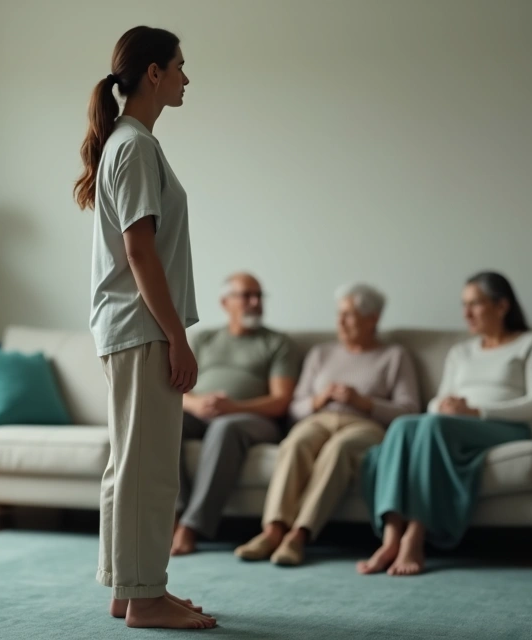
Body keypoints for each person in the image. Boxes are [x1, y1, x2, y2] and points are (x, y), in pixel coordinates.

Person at [74, 26, 215, 630]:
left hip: (131, 326)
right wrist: (177, 338)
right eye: (180, 66)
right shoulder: (133, 146)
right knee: (148, 466)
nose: (187, 77)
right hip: (142, 328)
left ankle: (127, 591)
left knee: (130, 463)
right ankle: (146, 597)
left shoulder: (130, 144)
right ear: (153, 73)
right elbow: (141, 253)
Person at [357, 271, 532, 576]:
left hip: (507, 427)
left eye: (475, 304)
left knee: (433, 426)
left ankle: (415, 538)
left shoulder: (531, 344)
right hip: (454, 425)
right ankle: (391, 537)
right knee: (403, 424)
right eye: (464, 305)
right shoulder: (460, 352)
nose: (466, 314)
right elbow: (437, 402)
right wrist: (446, 406)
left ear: (501, 306)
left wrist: (478, 412)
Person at [234, 283, 420, 566]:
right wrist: (317, 401)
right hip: (318, 419)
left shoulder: (394, 356)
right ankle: (273, 531)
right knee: (295, 442)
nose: (340, 321)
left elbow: (409, 411)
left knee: (339, 449)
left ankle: (299, 535)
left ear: (373, 318)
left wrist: (365, 402)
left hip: (364, 425)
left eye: (349, 314)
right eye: (339, 314)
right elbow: (294, 408)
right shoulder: (321, 353)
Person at [171, 272, 299, 556]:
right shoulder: (204, 339)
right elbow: (174, 388)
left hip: (255, 421)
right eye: (246, 296)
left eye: (259, 296)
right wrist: (195, 404)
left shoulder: (278, 343)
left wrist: (234, 408)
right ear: (225, 302)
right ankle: (172, 517)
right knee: (166, 421)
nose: (255, 302)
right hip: (199, 411)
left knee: (225, 427)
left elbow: (281, 401)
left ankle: (192, 527)